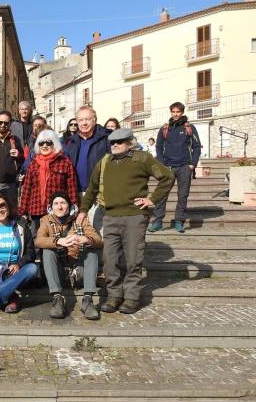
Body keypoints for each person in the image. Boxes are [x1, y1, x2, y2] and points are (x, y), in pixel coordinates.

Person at [79, 128, 173, 314]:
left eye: (119, 142)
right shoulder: (105, 162)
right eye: (112, 142)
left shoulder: (142, 158)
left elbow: (167, 177)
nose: (114, 145)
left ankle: (131, 297)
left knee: (133, 259)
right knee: (109, 260)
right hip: (110, 216)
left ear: (130, 143)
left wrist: (152, 199)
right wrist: (83, 210)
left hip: (135, 217)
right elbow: (92, 188)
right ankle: (114, 296)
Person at [35, 191, 103, 320]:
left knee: (92, 250)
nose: (59, 207)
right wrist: (58, 241)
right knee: (47, 250)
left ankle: (88, 300)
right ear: (51, 207)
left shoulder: (80, 220)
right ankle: (57, 299)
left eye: (63, 203)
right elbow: (38, 240)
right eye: (56, 203)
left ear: (70, 206)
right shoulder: (46, 220)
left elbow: (98, 241)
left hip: (79, 272)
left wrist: (85, 239)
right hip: (58, 273)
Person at [149, 102, 201, 233]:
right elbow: (158, 147)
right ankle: (158, 221)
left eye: (178, 112)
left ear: (182, 112)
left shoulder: (189, 127)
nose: (176, 114)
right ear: (171, 112)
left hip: (184, 167)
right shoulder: (165, 128)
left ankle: (179, 221)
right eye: (173, 112)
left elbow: (196, 147)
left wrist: (192, 164)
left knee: (183, 195)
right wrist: (162, 163)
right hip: (168, 167)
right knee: (161, 195)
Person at [19, 129, 78, 237]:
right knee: (37, 243)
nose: (45, 146)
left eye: (48, 143)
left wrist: (74, 208)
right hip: (37, 211)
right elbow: (27, 189)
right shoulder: (33, 164)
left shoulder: (65, 162)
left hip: (58, 211)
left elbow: (71, 187)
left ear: (54, 144)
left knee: (58, 241)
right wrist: (22, 212)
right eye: (41, 143)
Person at [64, 106, 110, 231]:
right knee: (78, 230)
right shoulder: (70, 142)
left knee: (97, 229)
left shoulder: (105, 140)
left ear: (94, 120)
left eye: (88, 119)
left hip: (97, 193)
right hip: (76, 192)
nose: (84, 123)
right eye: (80, 120)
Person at [0, 110, 24, 208]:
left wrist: (19, 155)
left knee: (10, 212)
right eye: (0, 122)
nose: (3, 125)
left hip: (10, 184)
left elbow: (22, 160)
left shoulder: (15, 140)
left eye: (6, 123)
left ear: (10, 123)